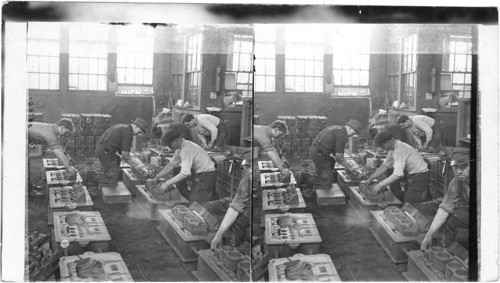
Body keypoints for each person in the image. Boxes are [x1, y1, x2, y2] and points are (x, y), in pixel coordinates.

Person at [421, 149, 471, 250]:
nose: (459, 171)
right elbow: (444, 209)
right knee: (447, 222)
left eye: (464, 166)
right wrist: (429, 235)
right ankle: (446, 254)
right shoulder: (456, 182)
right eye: (455, 167)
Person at [150, 129, 216, 205]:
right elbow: (172, 164)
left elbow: (185, 173)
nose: (169, 148)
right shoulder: (179, 149)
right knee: (177, 170)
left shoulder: (186, 149)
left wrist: (166, 184)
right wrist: (157, 177)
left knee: (195, 204)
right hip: (199, 174)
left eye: (169, 145)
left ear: (175, 141)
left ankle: (223, 203)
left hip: (207, 175)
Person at [363, 131, 430, 206]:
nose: (383, 149)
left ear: (388, 142)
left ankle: (426, 209)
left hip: (420, 176)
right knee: (391, 172)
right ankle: (400, 202)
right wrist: (371, 178)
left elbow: (398, 174)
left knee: (409, 203)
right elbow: (385, 165)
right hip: (413, 174)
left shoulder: (399, 150)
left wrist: (380, 185)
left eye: (383, 146)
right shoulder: (393, 148)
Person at [28, 118, 78, 196]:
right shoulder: (50, 133)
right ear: (62, 128)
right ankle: (29, 191)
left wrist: (67, 160)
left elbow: (59, 147)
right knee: (24, 165)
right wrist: (68, 168)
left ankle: (30, 187)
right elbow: (57, 151)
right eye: (66, 132)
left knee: (26, 164)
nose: (66, 134)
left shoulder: (53, 128)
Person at [211, 156, 252, 250]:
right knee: (237, 224)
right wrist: (219, 235)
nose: (249, 171)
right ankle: (234, 250)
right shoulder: (246, 181)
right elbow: (234, 208)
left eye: (251, 166)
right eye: (246, 167)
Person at [309, 119, 362, 185]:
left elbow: (335, 151)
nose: (352, 135)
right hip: (318, 154)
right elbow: (339, 158)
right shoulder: (342, 135)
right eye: (353, 133)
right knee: (327, 181)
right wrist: (349, 168)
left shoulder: (337, 128)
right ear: (349, 128)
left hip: (315, 150)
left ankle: (322, 174)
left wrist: (346, 163)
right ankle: (307, 178)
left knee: (331, 161)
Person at [95, 118, 149, 183]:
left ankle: (107, 172)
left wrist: (131, 160)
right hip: (105, 153)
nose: (139, 134)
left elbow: (122, 151)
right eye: (139, 131)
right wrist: (136, 167)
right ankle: (92, 176)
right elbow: (125, 157)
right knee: (113, 179)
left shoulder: (123, 127)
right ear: (135, 126)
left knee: (117, 159)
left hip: (102, 149)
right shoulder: (128, 133)